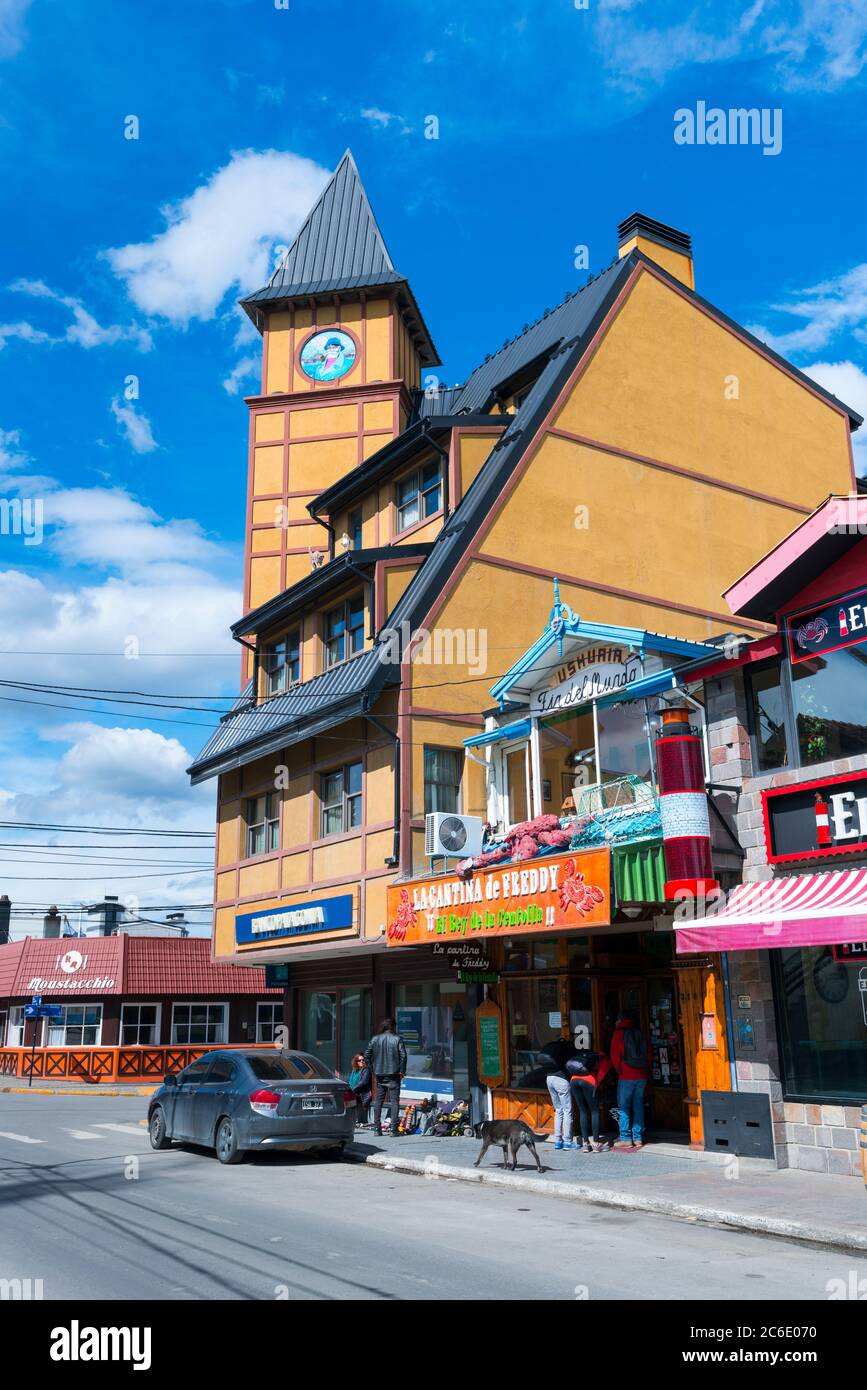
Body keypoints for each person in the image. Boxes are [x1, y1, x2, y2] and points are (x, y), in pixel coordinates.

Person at [610, 1010, 649, 1148]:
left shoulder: (618, 1032)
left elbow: (614, 1055)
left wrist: (618, 1070)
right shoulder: (638, 1032)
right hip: (641, 1075)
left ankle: (626, 1137)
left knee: (624, 1107)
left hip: (626, 1074)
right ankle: (638, 1137)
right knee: (638, 1104)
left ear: (620, 1020)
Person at [364, 1018, 407, 1137]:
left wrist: (373, 1069)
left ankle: (377, 1129)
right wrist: (402, 1071)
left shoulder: (375, 1039)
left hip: (379, 1074)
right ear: (393, 1027)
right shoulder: (397, 1039)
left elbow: (367, 1055)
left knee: (378, 1101)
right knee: (394, 1101)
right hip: (393, 1074)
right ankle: (394, 1130)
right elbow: (403, 1056)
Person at [567, 1049, 613, 1152]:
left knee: (582, 1111)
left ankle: (585, 1144)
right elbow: (600, 1078)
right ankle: (596, 1144)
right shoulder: (605, 1060)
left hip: (574, 1080)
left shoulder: (585, 1057)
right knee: (594, 1111)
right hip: (589, 1080)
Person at [540, 1035, 579, 1151]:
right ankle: (567, 1141)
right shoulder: (568, 1049)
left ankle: (558, 1141)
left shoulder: (554, 1048)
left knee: (558, 1110)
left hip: (549, 1079)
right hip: (561, 1079)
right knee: (567, 1111)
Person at [347, 1053, 372, 1127]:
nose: (362, 1061)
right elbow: (349, 1081)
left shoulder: (366, 1070)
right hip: (355, 1094)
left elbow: (363, 1082)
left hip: (362, 1095)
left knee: (362, 1118)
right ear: (356, 1061)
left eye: (363, 1060)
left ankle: (360, 1121)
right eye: (359, 1060)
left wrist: (352, 1090)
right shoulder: (354, 1071)